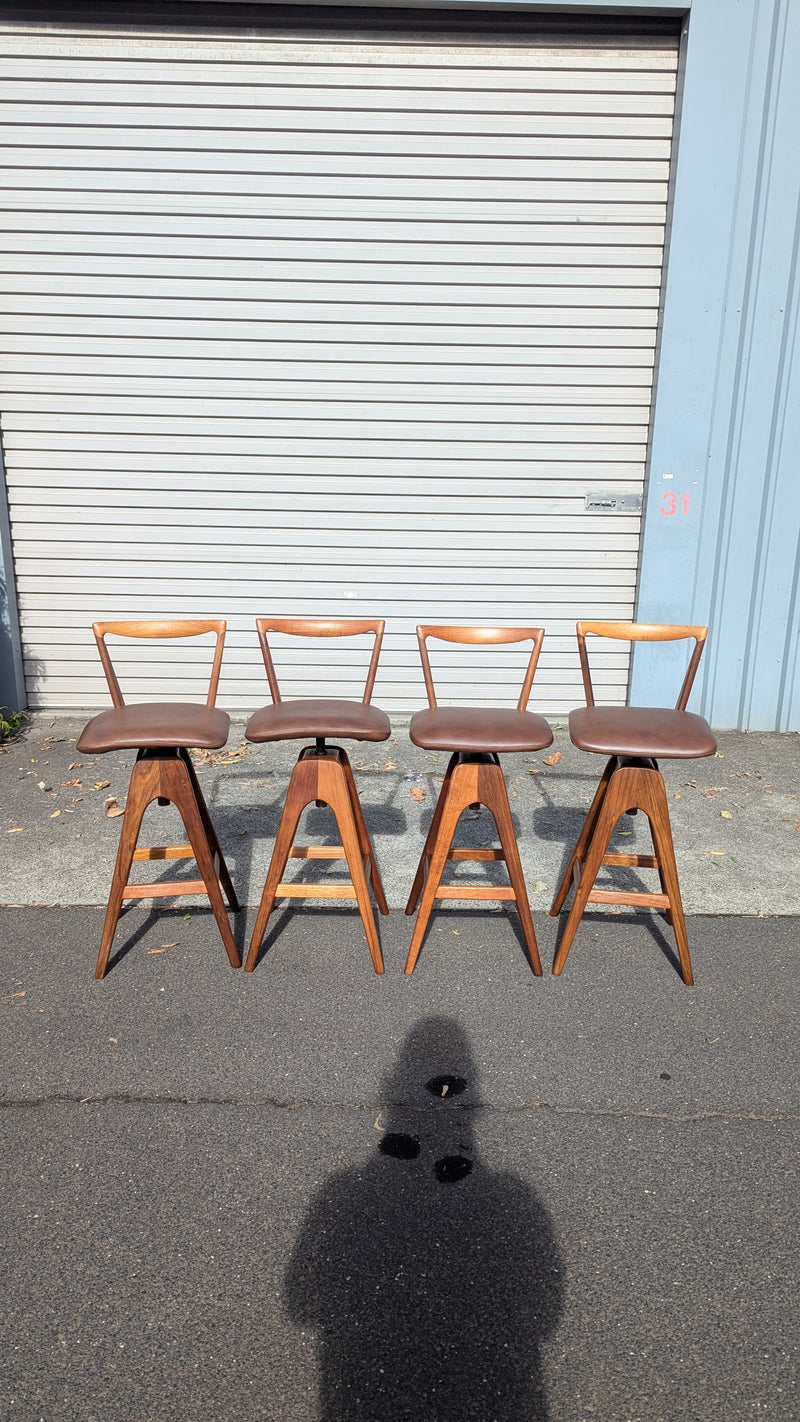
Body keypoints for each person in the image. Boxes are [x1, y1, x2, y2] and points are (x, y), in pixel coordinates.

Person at [285, 1016, 563, 1420]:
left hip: (365, 1392)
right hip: (496, 1396)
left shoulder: (344, 1192)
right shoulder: (512, 1198)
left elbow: (302, 1306)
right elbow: (544, 1316)